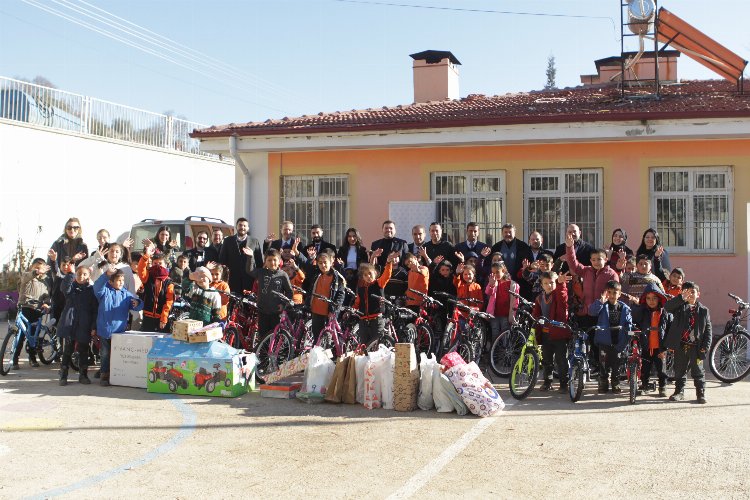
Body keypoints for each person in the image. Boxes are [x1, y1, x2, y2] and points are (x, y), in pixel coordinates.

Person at [93, 269, 143, 386]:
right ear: (111, 282)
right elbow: (97, 287)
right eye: (118, 280)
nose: (121, 282)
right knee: (105, 353)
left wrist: (138, 303)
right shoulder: (105, 291)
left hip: (120, 332)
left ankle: (117, 373)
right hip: (105, 330)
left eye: (122, 280)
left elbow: (136, 304)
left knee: (117, 354)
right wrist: (106, 275)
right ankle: (104, 375)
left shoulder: (126, 294)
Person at [664, 282, 711, 404]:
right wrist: (680, 298)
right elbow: (667, 307)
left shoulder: (704, 311)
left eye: (693, 292)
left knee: (698, 370)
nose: (690, 295)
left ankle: (700, 393)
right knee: (679, 369)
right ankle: (679, 391)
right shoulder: (680, 307)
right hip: (681, 345)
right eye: (687, 292)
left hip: (696, 347)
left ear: (698, 294)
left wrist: (705, 347)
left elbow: (708, 331)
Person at [588, 280, 633, 394]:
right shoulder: (603, 305)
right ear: (606, 293)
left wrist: (629, 331)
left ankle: (615, 382)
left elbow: (628, 323)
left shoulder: (624, 308)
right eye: (609, 292)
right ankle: (603, 383)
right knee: (603, 364)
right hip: (604, 340)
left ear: (619, 294)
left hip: (618, 340)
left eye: (615, 292)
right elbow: (591, 312)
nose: (612, 295)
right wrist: (600, 302)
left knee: (617, 363)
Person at [57, 265, 98, 385]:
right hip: (70, 324)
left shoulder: (91, 291)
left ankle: (83, 375)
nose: (81, 276)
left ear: (88, 276)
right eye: (79, 274)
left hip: (84, 325)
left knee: (83, 351)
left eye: (84, 274)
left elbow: (95, 310)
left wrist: (93, 326)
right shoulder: (71, 288)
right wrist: (70, 274)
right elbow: (64, 288)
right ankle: (63, 375)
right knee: (67, 350)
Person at [532, 271, 571, 392]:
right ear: (542, 285)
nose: (549, 285)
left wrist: (561, 284)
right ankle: (547, 382)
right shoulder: (539, 298)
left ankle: (564, 384)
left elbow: (563, 297)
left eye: (552, 282)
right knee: (546, 360)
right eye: (546, 283)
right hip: (545, 334)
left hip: (558, 334)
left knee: (561, 360)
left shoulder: (558, 295)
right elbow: (536, 315)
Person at [631, 285, 671, 397]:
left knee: (661, 370)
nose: (651, 301)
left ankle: (662, 386)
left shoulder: (665, 312)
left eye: (654, 298)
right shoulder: (643, 311)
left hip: (660, 347)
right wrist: (637, 305)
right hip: (646, 345)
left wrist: (666, 347)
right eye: (648, 298)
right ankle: (644, 385)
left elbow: (668, 329)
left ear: (659, 298)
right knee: (645, 369)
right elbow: (634, 317)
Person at [14, 258, 53, 369]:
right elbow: (26, 277)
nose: (38, 270)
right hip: (25, 308)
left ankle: (32, 357)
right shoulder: (27, 277)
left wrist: (46, 303)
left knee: (33, 335)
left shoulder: (45, 281)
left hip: (37, 310)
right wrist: (36, 272)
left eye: (41, 268)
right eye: (36, 267)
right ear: (32, 267)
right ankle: (15, 358)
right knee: (21, 334)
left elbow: (47, 296)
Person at [353, 252, 398, 347]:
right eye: (365, 275)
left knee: (377, 346)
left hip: (376, 320)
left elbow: (387, 275)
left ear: (375, 273)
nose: (368, 276)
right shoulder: (361, 288)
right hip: (363, 321)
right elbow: (357, 301)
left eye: (370, 274)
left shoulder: (379, 283)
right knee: (364, 346)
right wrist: (352, 310)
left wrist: (389, 262)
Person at [249, 249, 293, 337]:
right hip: (263, 311)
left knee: (275, 336)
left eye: (274, 260)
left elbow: (289, 292)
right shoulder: (261, 272)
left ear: (279, 261)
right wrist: (250, 257)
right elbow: (250, 270)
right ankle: (263, 351)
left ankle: (274, 351)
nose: (272, 262)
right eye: (269, 260)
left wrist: (283, 304)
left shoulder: (283, 275)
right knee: (263, 336)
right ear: (265, 261)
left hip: (276, 312)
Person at [307, 250, 346, 345]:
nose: (323, 265)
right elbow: (307, 268)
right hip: (316, 311)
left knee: (328, 339)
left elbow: (340, 295)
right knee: (317, 338)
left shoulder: (337, 278)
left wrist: (333, 311)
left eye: (325, 262)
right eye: (320, 263)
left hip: (328, 313)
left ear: (331, 263)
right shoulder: (317, 275)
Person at [136, 245, 175, 333]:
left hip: (161, 319)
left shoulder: (168, 282)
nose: (157, 266)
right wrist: (146, 256)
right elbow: (140, 269)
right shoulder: (148, 276)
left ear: (165, 265)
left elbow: (169, 302)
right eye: (155, 263)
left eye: (160, 263)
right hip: (147, 317)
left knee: (161, 343)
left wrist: (164, 318)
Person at [219, 218, 263, 293]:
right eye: (240, 225)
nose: (242, 227)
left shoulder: (254, 241)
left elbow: (259, 262)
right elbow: (222, 260)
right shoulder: (228, 241)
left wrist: (258, 277)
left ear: (248, 228)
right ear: (236, 227)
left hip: (249, 280)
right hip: (232, 280)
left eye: (244, 226)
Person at [490, 224, 533, 299]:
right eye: (505, 232)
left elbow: (528, 265)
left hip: (519, 283)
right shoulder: (496, 247)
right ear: (502, 233)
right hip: (500, 283)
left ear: (514, 232)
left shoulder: (523, 246)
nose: (508, 234)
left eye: (510, 232)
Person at [484, 261, 519, 343]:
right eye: (493, 273)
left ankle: (504, 351)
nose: (495, 275)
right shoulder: (494, 282)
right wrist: (491, 285)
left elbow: (515, 301)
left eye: (497, 272)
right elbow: (488, 292)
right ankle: (494, 352)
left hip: (506, 314)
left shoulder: (512, 284)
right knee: (495, 332)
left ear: (503, 271)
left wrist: (512, 315)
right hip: (494, 314)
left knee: (505, 334)